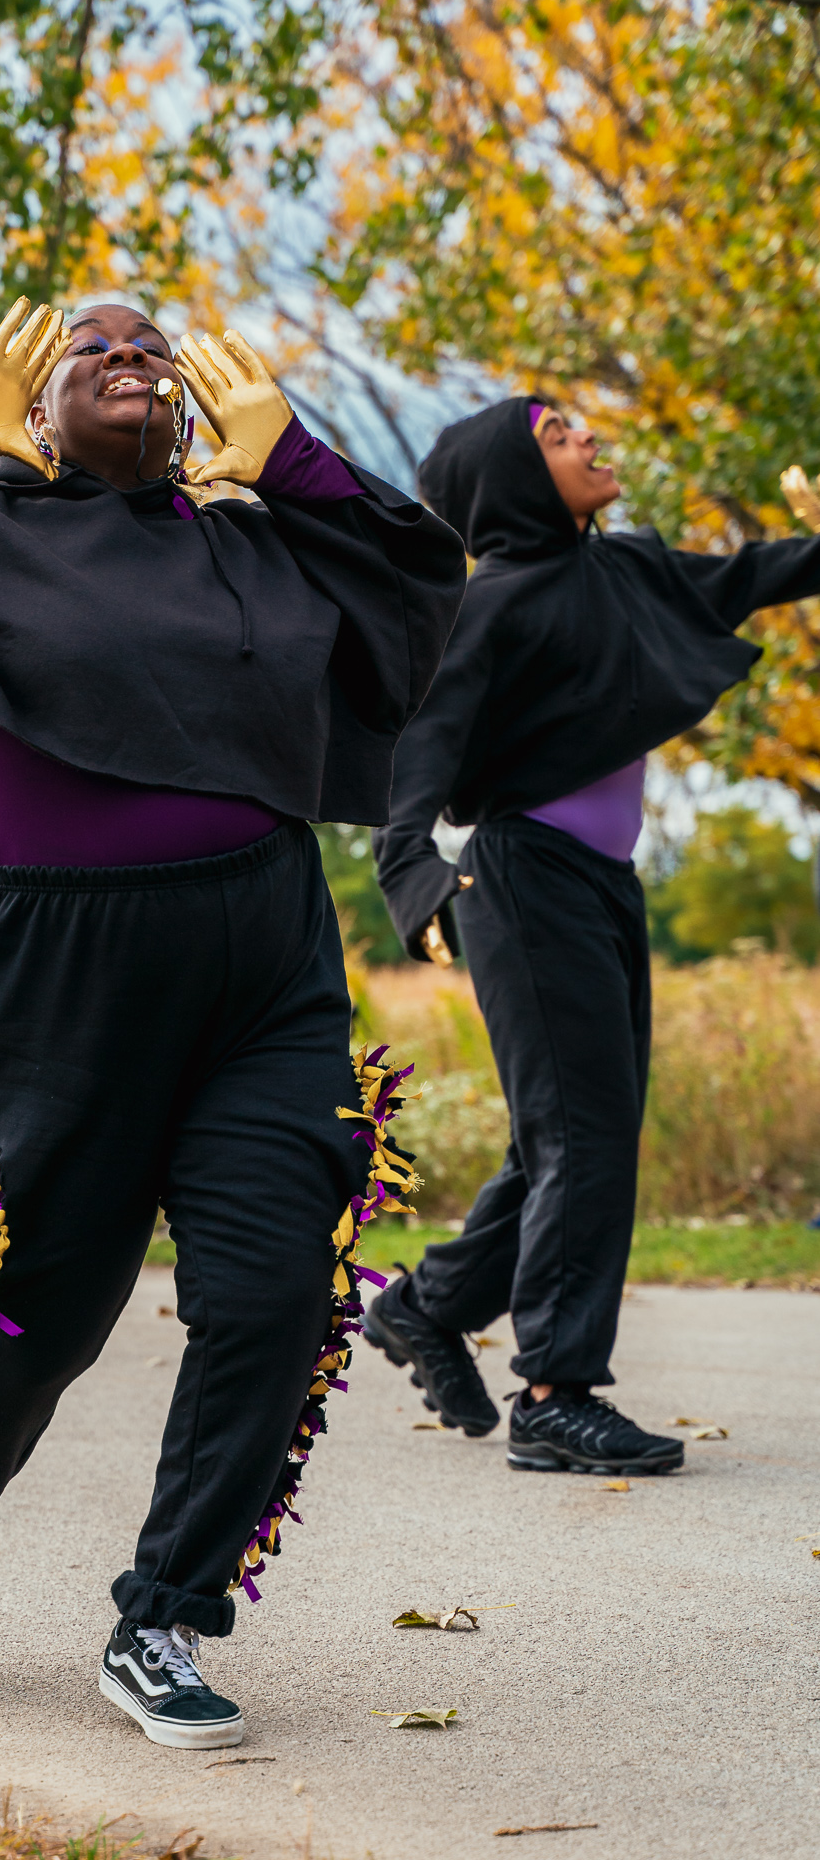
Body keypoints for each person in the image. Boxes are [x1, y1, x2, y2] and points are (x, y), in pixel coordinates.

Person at [0, 295, 464, 1748]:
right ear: (28, 403)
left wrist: (296, 462)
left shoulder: (251, 541)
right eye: (90, 348)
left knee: (279, 1292)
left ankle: (166, 1614)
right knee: (37, 1307)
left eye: (154, 348)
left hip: (261, 953)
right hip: (55, 969)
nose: (133, 356)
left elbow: (425, 589)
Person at [369, 397, 820, 1477]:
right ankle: (555, 1393)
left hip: (604, 885)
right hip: (521, 882)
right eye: (557, 430)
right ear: (516, 477)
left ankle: (430, 1305)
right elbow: (418, 752)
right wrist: (415, 875)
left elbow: (754, 573)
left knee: (567, 1130)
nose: (587, 436)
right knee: (585, 1135)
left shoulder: (624, 569)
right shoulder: (494, 604)